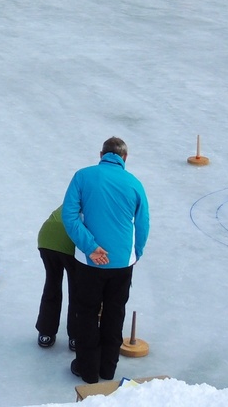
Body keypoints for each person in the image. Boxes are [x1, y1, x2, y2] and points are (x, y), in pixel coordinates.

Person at [61, 137, 150, 385]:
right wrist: (136, 253)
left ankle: (87, 371)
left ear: (101, 154)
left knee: (87, 313)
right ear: (125, 158)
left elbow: (69, 217)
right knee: (114, 313)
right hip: (122, 262)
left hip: (89, 262)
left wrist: (91, 247)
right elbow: (142, 225)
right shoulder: (134, 183)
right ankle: (108, 370)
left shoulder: (83, 176)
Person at [36, 206, 76, 352]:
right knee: (77, 290)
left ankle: (46, 332)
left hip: (46, 239)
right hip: (68, 242)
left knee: (52, 283)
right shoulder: (96, 206)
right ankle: (76, 337)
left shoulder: (72, 198)